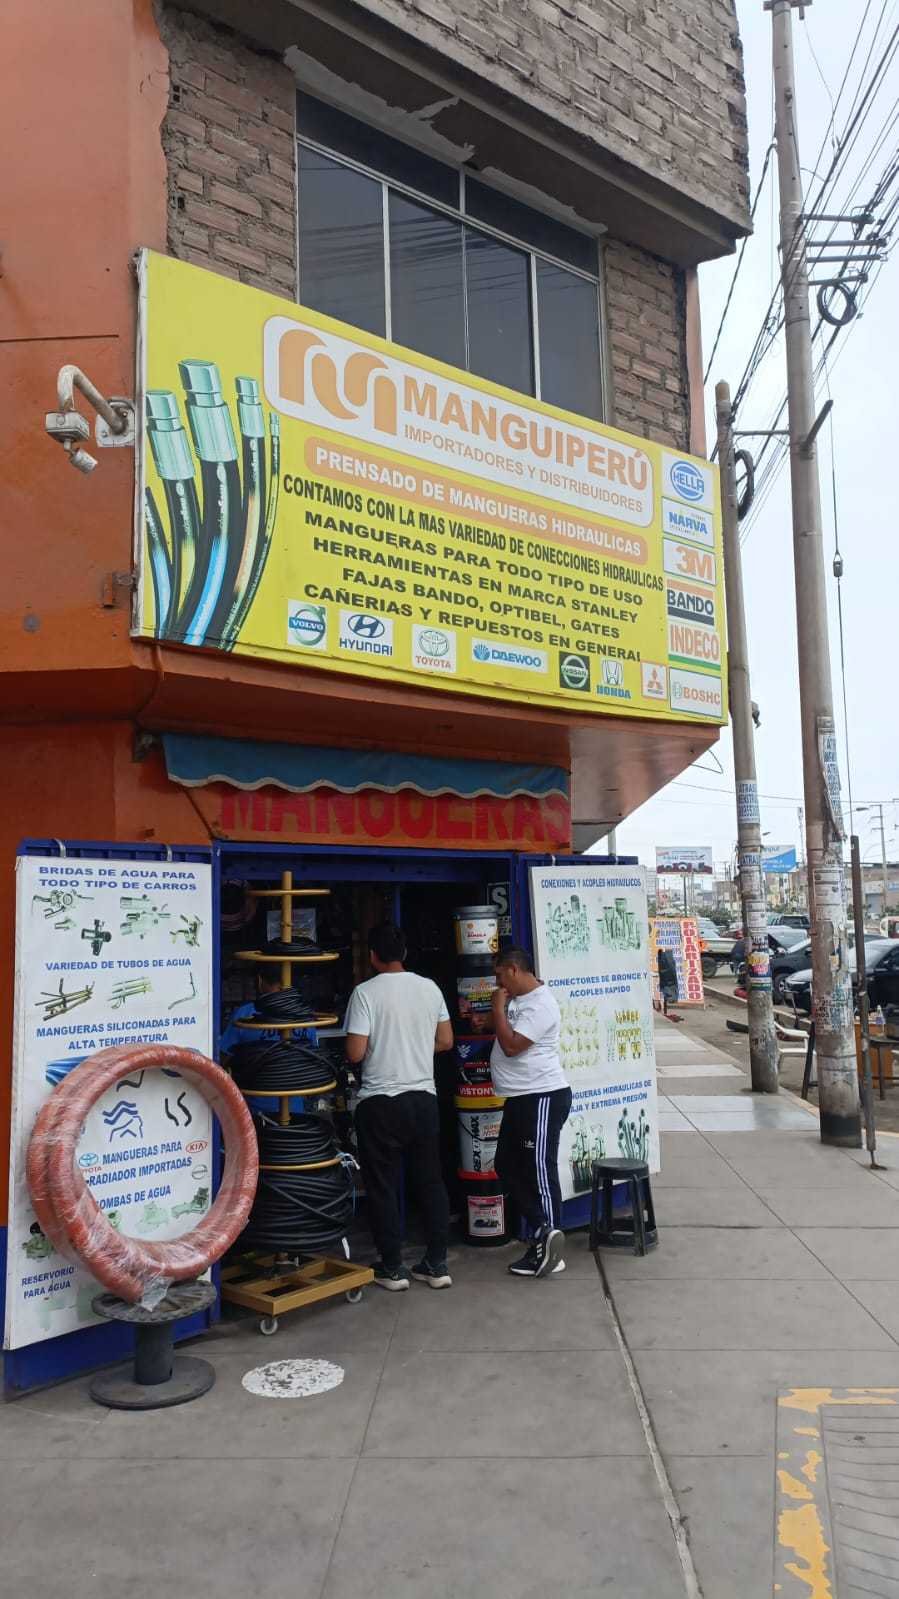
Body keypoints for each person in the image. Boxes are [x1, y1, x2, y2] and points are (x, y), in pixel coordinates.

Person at [345, 921, 455, 1291]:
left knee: (383, 1186)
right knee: (431, 1181)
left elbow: (355, 1052)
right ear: (404, 953)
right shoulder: (430, 988)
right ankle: (437, 1264)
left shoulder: (365, 993)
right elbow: (446, 1041)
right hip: (423, 1100)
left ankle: (392, 1267)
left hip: (380, 1104)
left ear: (373, 956)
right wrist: (416, 1047)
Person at [490, 947, 571, 1278]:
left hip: (542, 1096)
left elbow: (512, 1046)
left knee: (539, 1170)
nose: (498, 984)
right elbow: (508, 1034)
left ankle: (552, 1248)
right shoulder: (519, 1001)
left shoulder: (541, 1004)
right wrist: (494, 1017)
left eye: (499, 976)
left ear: (513, 970)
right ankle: (543, 1231)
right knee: (506, 1165)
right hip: (520, 1096)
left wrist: (496, 1009)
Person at [656, 946, 681, 1019]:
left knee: (668, 978)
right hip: (663, 953)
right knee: (668, 978)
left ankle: (666, 1003)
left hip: (664, 953)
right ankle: (665, 1004)